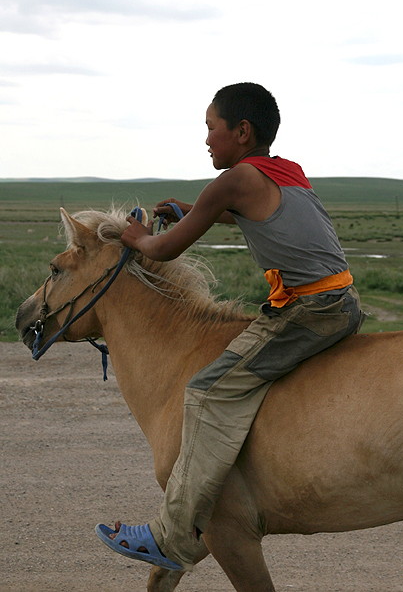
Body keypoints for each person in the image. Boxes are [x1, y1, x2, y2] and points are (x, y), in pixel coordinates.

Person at [95, 82, 365, 570]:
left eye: (210, 128)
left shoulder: (233, 180)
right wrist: (193, 212)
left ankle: (170, 534)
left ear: (241, 132)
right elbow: (253, 214)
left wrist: (136, 238)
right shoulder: (287, 172)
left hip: (310, 310)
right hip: (343, 300)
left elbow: (162, 250)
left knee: (206, 389)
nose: (205, 140)